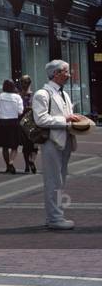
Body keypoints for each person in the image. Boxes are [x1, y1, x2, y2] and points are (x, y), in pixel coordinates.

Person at [33, 59, 88, 230]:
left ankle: (55, 216)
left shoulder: (63, 94)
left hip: (65, 141)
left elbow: (65, 114)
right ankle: (55, 218)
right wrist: (65, 119)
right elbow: (40, 119)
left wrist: (72, 118)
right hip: (52, 142)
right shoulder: (42, 94)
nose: (69, 74)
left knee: (59, 179)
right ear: (55, 74)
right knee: (53, 180)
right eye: (65, 71)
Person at [0, 79, 24, 174]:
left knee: (4, 146)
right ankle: (11, 162)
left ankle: (7, 166)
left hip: (2, 122)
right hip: (13, 121)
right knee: (14, 145)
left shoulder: (0, 96)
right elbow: (20, 111)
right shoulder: (17, 97)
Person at [19, 75, 38, 174]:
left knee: (25, 145)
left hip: (22, 122)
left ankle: (27, 165)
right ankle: (32, 161)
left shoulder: (19, 95)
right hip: (33, 122)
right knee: (35, 144)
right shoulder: (34, 95)